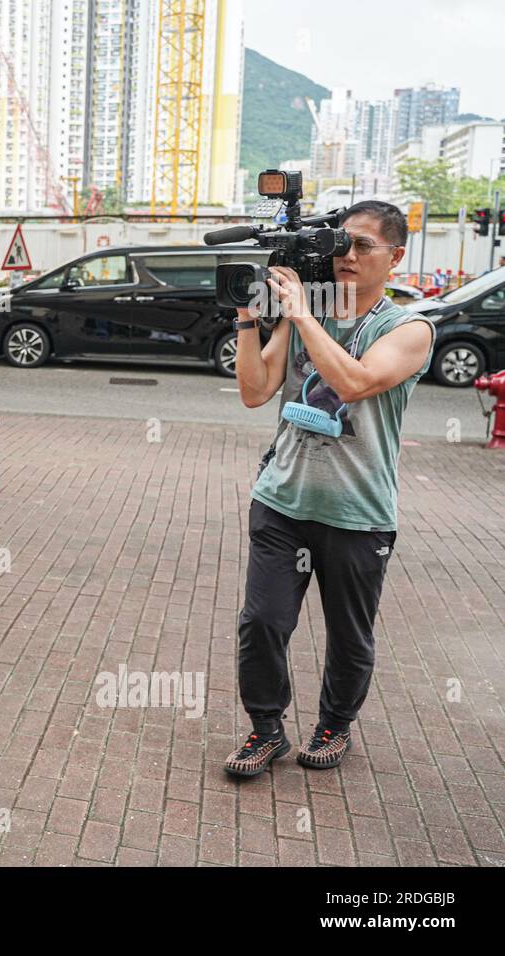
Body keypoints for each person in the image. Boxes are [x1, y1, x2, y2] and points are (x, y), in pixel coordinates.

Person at [225, 200, 435, 777]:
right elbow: (255, 390)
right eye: (341, 243)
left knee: (348, 634)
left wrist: (301, 312)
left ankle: (334, 724)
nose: (347, 255)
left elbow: (355, 380)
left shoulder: (409, 329)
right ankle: (265, 729)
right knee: (263, 622)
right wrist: (249, 318)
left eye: (363, 246)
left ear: (394, 257)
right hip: (282, 500)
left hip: (357, 512)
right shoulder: (305, 314)